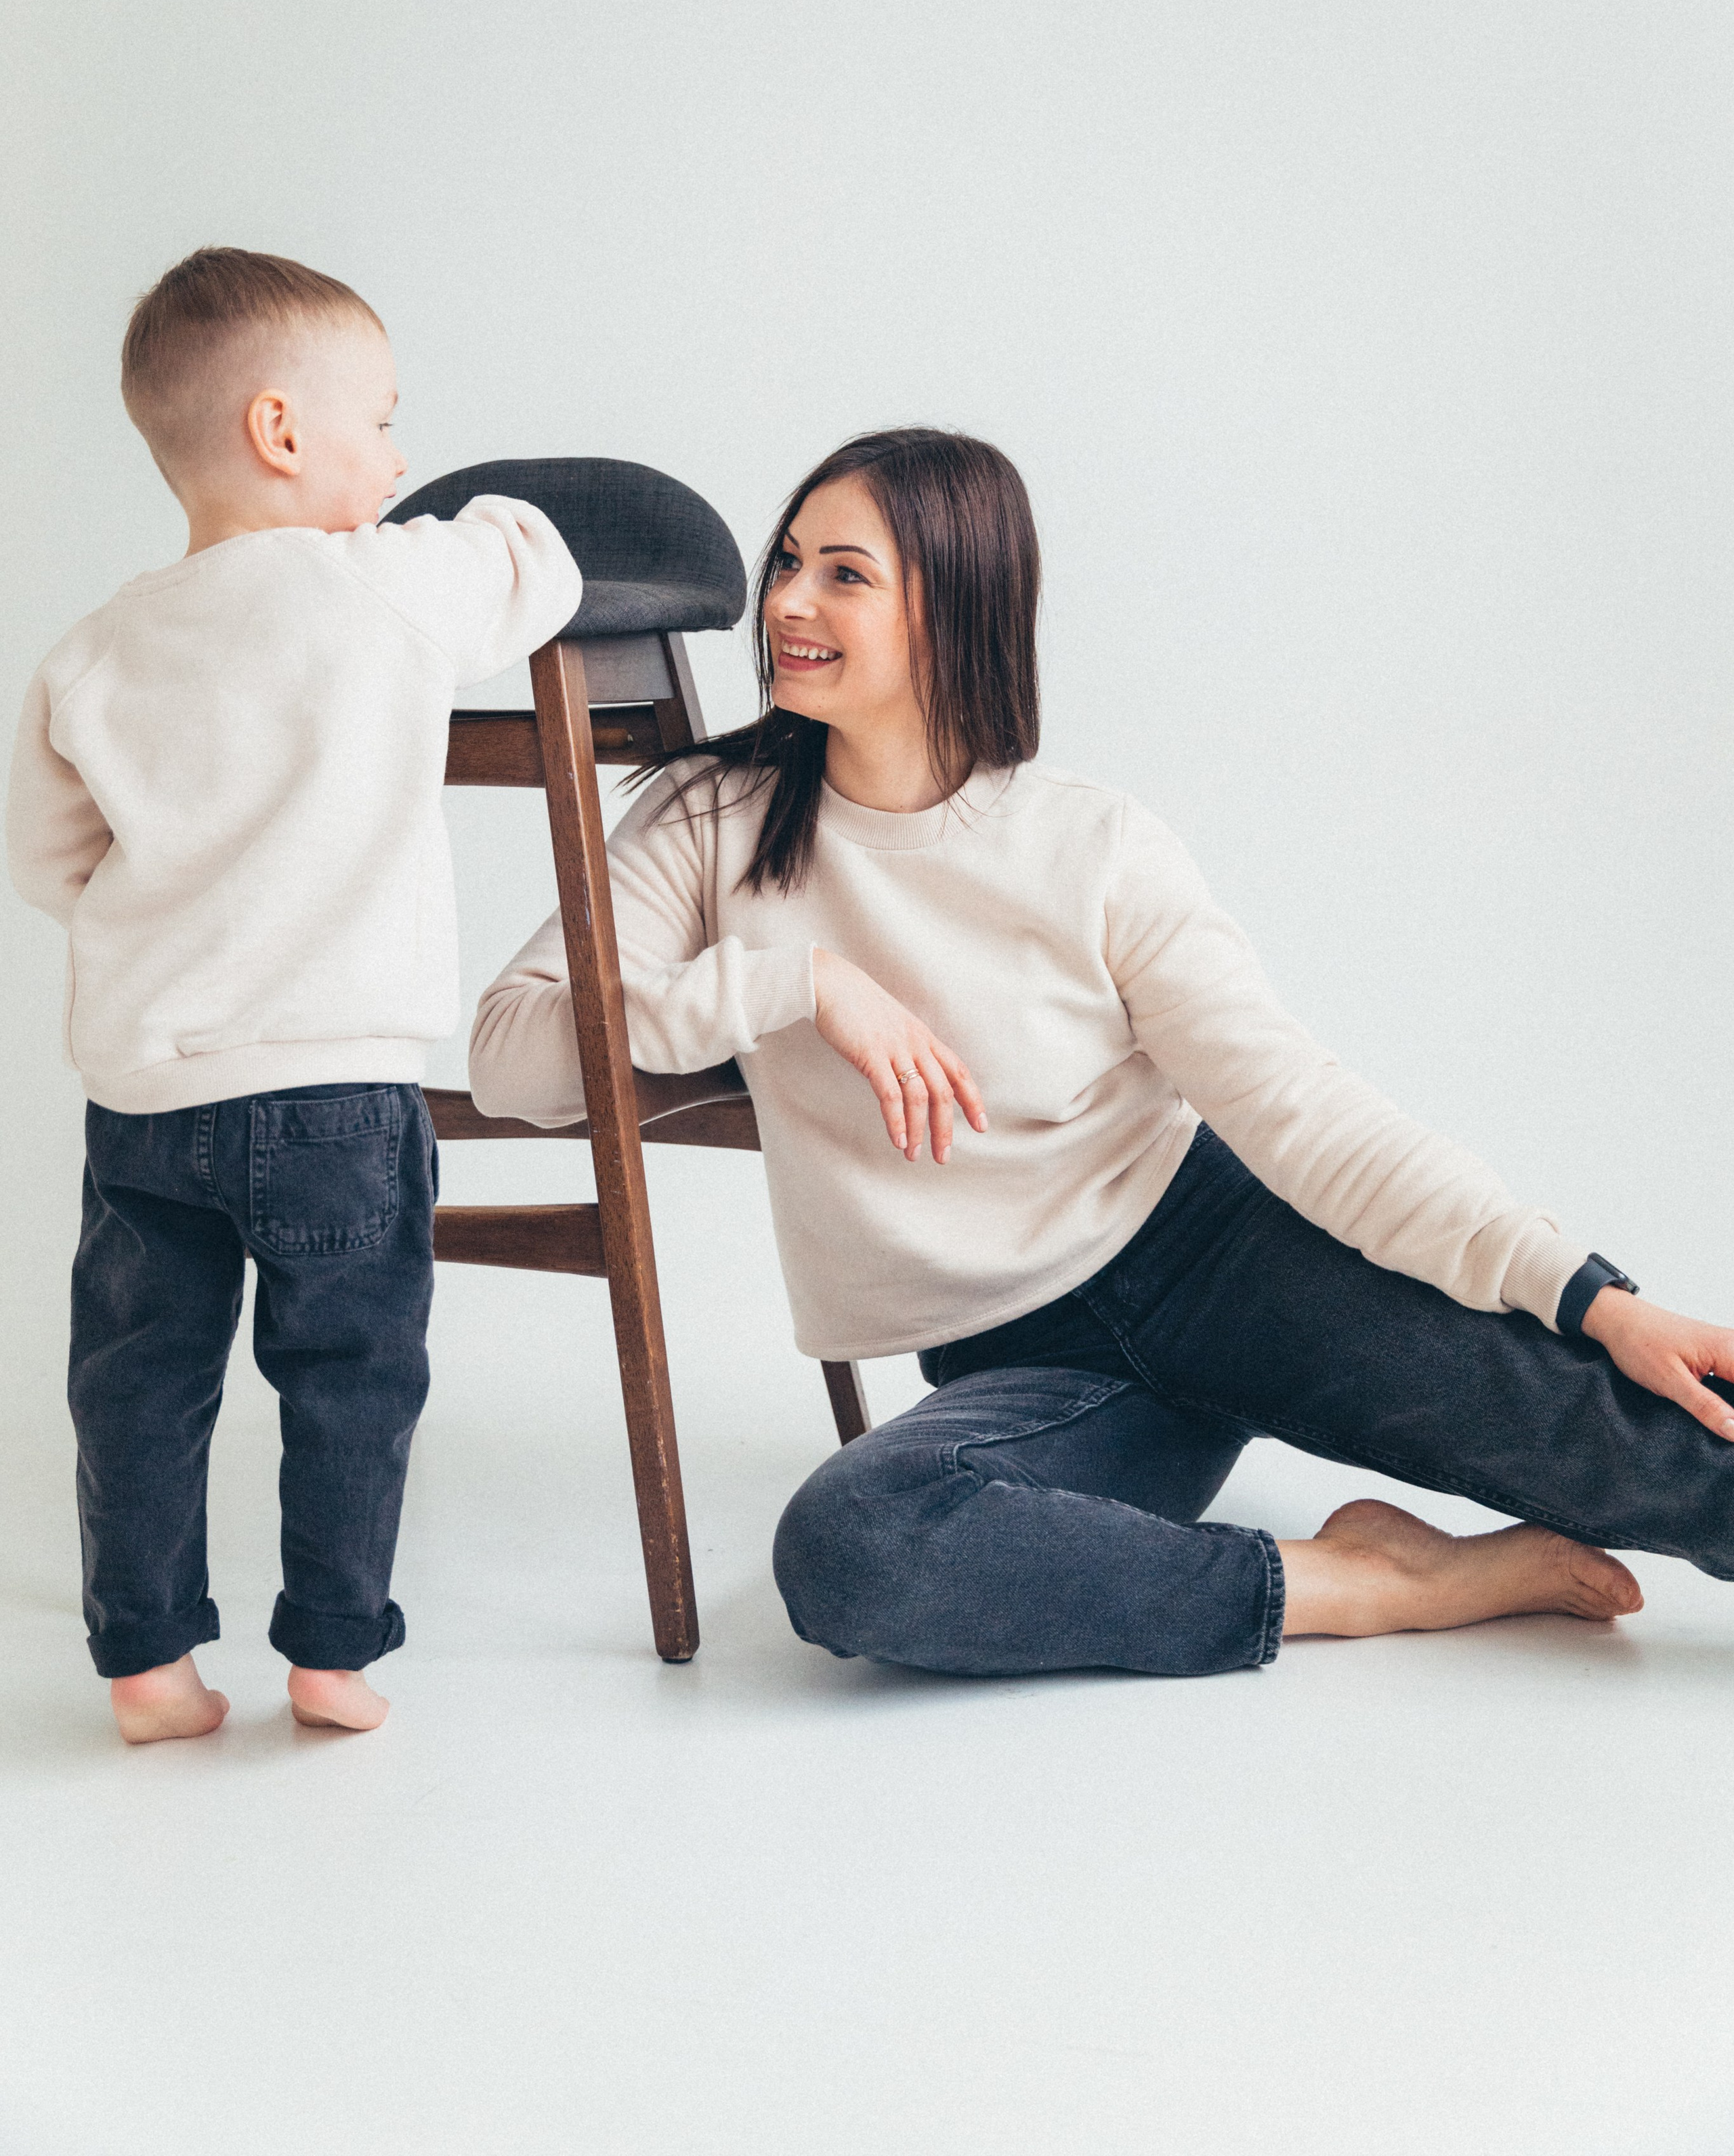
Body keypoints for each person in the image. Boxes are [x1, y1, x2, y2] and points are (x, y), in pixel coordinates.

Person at [469, 426, 1734, 1679]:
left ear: (955, 608)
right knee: (857, 1550)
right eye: (788, 560)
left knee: (1641, 1442)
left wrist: (1597, 1296)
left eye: (844, 574)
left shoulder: (1090, 845)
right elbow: (509, 1063)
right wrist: (793, 985)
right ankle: (1367, 1581)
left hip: (1218, 1257)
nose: (787, 602)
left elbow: (1305, 1113)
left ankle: (1423, 1526)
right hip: (1017, 1363)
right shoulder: (708, 822)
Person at [6, 247, 581, 1740]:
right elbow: (534, 556)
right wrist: (485, 505)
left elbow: (48, 855)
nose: (396, 461)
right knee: (350, 1375)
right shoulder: (383, 585)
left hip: (146, 1096)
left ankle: (145, 1670)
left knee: (136, 1385)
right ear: (282, 433)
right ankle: (330, 1658)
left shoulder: (94, 647)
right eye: (382, 422)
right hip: (333, 1090)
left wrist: (174, 920)